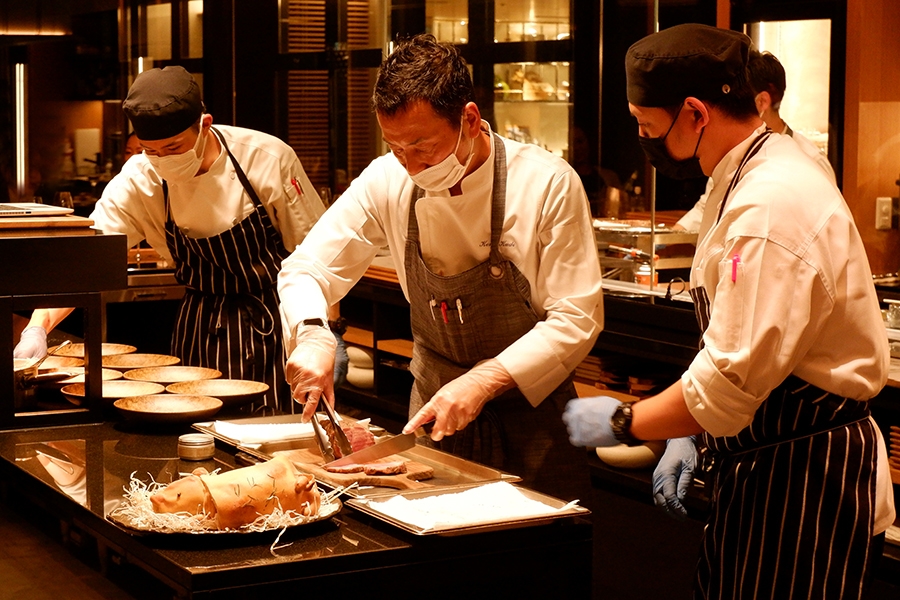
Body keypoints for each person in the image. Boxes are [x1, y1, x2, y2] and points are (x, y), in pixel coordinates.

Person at [563, 24, 894, 599]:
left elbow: (727, 381)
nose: (641, 139)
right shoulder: (748, 169)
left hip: (805, 485)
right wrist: (694, 436)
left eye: (647, 125)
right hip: (765, 467)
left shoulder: (770, 206)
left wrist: (622, 421)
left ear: (695, 112)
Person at [278, 34, 603, 501]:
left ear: (469, 119)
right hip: (434, 414)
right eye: (396, 148)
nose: (410, 165)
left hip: (534, 420)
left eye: (422, 146)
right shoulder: (386, 178)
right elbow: (307, 267)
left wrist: (484, 379)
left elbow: (577, 316)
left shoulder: (546, 183)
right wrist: (312, 335)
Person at [13, 66, 344, 410]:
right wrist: (38, 327)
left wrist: (328, 331)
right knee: (198, 431)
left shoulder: (265, 158)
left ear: (205, 124)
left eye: (174, 147)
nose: (163, 160)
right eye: (151, 150)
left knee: (280, 428)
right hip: (200, 324)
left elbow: (319, 256)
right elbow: (86, 261)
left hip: (277, 322)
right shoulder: (139, 178)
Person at [674, 48, 836, 231]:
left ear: (762, 102)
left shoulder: (811, 159)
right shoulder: (733, 152)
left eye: (740, 98)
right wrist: (673, 234)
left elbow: (824, 223)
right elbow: (706, 207)